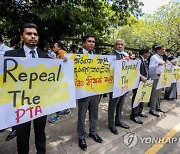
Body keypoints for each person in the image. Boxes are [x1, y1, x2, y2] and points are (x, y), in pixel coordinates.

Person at [4, 23, 49, 154]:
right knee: (22, 136)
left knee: (40, 133)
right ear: (22, 37)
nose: (33, 36)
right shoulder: (10, 55)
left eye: (35, 34)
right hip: (21, 105)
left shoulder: (46, 57)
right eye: (29, 34)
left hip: (41, 103)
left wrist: (64, 63)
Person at [77, 34, 103, 151]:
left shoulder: (96, 57)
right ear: (83, 43)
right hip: (82, 92)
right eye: (89, 41)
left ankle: (93, 132)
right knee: (82, 116)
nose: (92, 43)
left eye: (93, 42)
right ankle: (81, 137)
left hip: (95, 90)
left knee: (94, 114)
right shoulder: (76, 56)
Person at [108, 39, 130, 135]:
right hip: (114, 85)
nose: (120, 46)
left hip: (124, 84)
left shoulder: (126, 55)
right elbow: (109, 67)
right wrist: (121, 61)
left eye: (122, 44)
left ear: (124, 46)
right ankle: (111, 124)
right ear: (115, 46)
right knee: (113, 105)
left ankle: (118, 121)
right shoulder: (110, 55)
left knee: (121, 104)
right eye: (118, 44)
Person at [48, 41, 71, 123]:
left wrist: (65, 59)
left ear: (59, 47)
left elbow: (67, 61)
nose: (53, 48)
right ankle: (65, 110)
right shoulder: (58, 54)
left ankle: (57, 115)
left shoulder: (62, 52)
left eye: (54, 47)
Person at [130, 46, 150, 124]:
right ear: (144, 53)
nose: (149, 54)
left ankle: (139, 112)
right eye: (148, 53)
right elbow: (134, 70)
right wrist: (141, 76)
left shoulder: (144, 60)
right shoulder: (137, 59)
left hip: (143, 83)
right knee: (137, 98)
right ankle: (134, 115)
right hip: (138, 82)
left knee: (142, 97)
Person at [148, 44, 166, 117]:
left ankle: (157, 107)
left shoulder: (160, 57)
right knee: (155, 94)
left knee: (159, 93)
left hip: (161, 76)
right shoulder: (154, 57)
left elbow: (162, 65)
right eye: (162, 49)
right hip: (155, 76)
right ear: (158, 50)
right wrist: (158, 64)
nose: (163, 51)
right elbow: (150, 67)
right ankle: (152, 109)